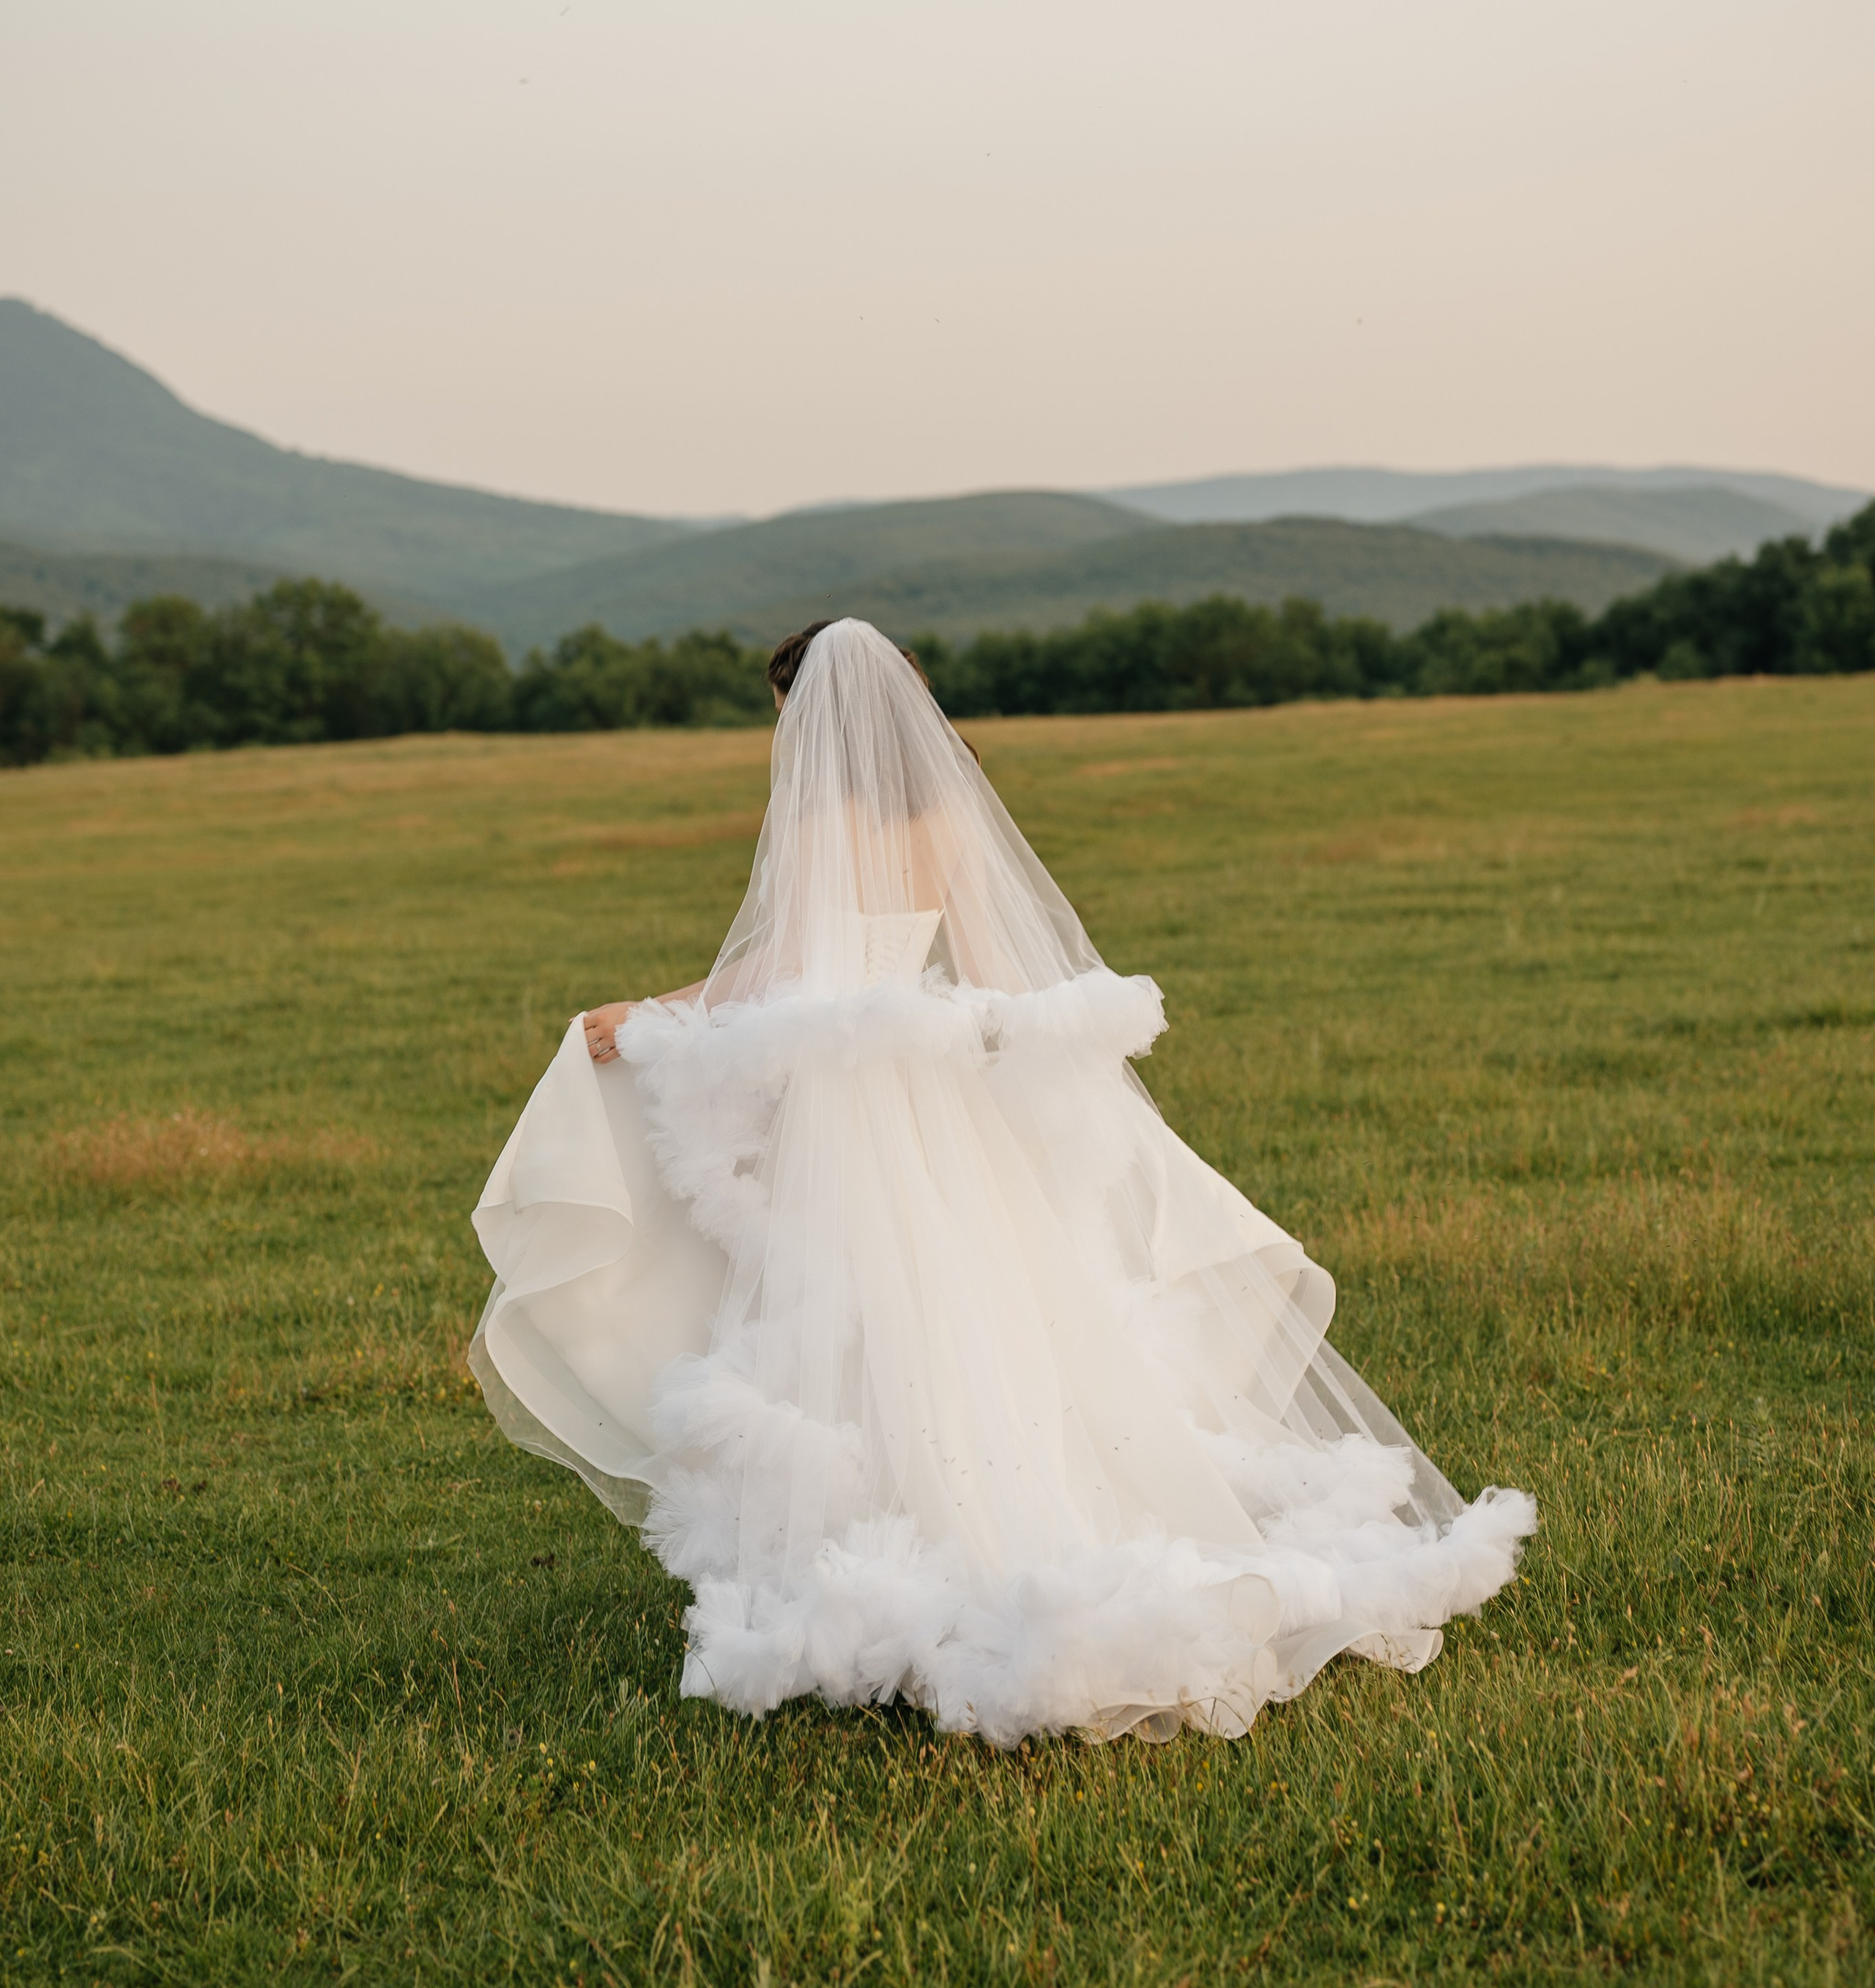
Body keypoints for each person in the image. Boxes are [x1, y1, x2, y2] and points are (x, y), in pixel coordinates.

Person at [470, 617, 1534, 1745]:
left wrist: (658, 1016)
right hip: (939, 1100)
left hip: (852, 1107)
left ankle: (897, 1561)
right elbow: (987, 971)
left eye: (786, 716)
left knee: (857, 1319)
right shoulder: (946, 812)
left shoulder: (818, 811)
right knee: (974, 1311)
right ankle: (975, 1526)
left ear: (812, 713)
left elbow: (784, 969)